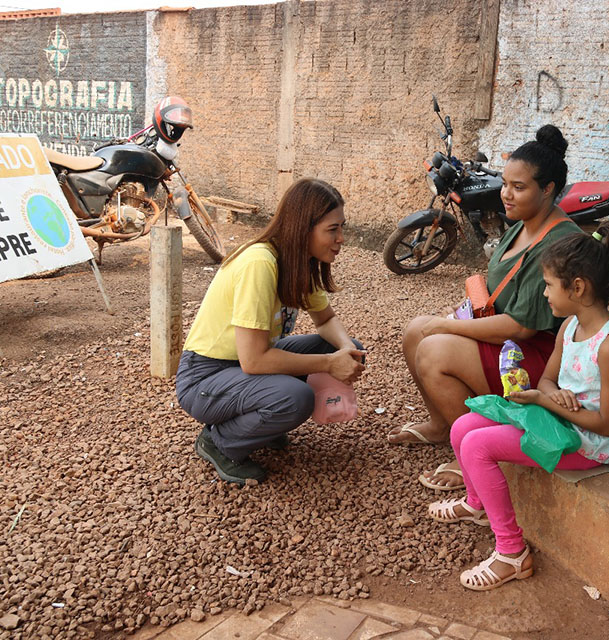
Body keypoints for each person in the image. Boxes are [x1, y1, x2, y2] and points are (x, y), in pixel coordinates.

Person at [426, 220, 609, 590]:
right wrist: (547, 393)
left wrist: (547, 402)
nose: (544, 294)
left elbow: (606, 424)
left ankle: (512, 553)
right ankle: (477, 503)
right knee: (464, 426)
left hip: (590, 445)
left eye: (548, 285)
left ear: (578, 287)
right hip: (561, 422)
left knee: (478, 445)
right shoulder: (570, 327)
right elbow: (547, 379)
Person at [388, 125, 580, 493]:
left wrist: (447, 328)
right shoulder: (521, 223)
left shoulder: (558, 242)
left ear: (549, 190)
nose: (506, 194)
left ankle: (473, 453)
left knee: (432, 346)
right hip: (506, 335)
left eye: (518, 187)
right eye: (506, 183)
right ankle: (441, 425)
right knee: (416, 330)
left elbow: (522, 328)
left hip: (536, 357)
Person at [175, 179, 365, 485]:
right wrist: (330, 364)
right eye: (332, 229)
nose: (341, 238)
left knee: (345, 347)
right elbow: (254, 361)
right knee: (295, 398)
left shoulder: (300, 261)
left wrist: (346, 351)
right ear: (304, 227)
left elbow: (325, 319)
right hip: (204, 377)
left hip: (241, 366)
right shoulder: (260, 263)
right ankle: (219, 442)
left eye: (341, 227)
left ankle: (265, 427)